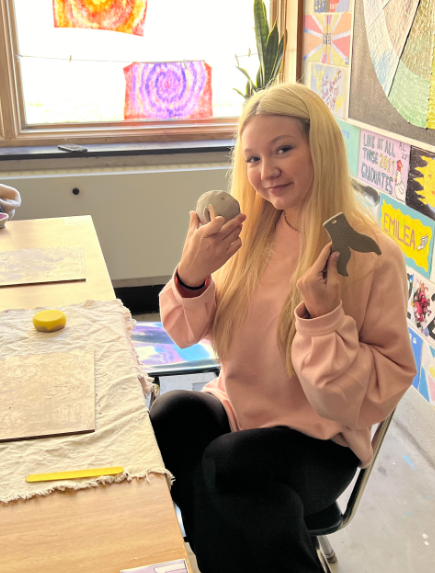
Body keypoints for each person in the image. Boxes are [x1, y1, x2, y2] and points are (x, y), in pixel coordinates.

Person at [149, 83, 417, 573]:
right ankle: (227, 554)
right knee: (171, 417)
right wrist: (192, 275)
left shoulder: (369, 255)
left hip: (323, 438)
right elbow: (187, 335)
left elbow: (368, 396)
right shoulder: (251, 235)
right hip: (240, 411)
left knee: (231, 465)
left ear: (321, 150)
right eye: (251, 158)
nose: (265, 172)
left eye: (283, 150)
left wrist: (323, 321)